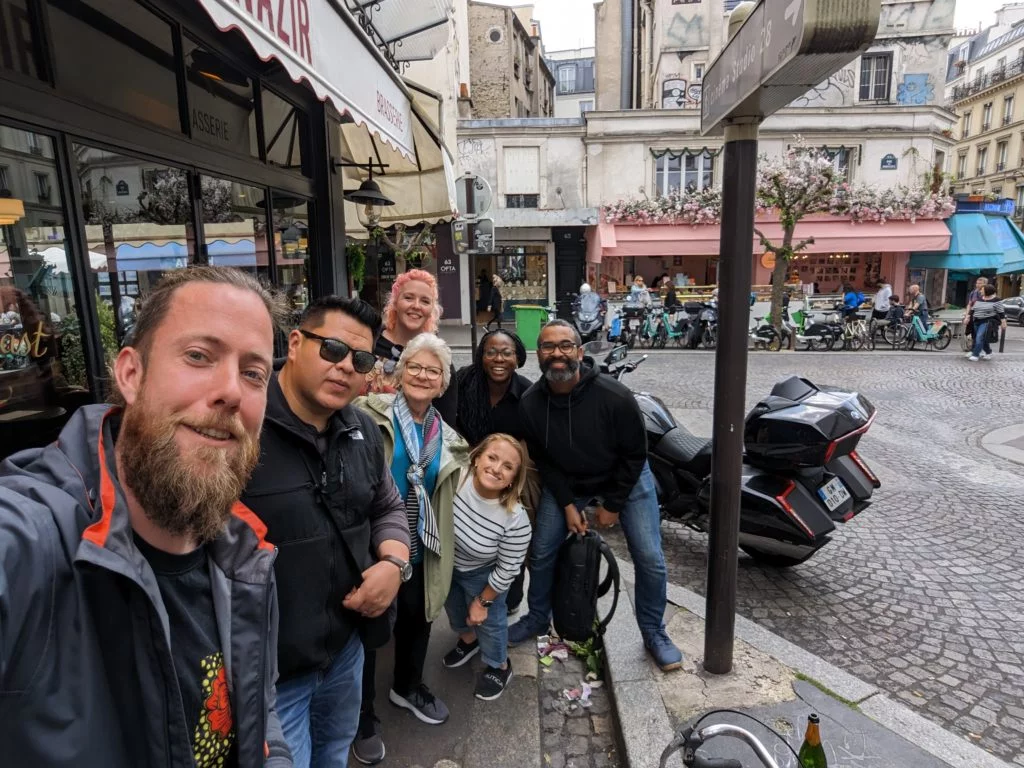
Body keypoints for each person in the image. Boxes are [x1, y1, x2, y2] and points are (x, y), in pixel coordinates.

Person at [0, 267, 292, 766]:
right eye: (199, 356)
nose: (232, 392)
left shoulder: (245, 552)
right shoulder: (33, 537)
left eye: (253, 373)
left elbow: (258, 716)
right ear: (131, 374)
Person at [241, 296, 411, 767]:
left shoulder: (362, 429)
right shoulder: (239, 427)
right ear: (295, 343)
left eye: (359, 359)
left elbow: (386, 505)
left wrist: (395, 563)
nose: (344, 367)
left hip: (345, 654)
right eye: (332, 349)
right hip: (272, 677)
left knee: (334, 754)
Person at [507, 320, 683, 672]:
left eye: (565, 345)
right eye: (547, 347)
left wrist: (613, 505)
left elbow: (635, 455)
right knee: (541, 552)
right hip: (571, 482)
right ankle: (539, 616)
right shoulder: (530, 404)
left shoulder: (614, 396)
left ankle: (653, 631)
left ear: (580, 352)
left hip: (625, 478)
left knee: (649, 556)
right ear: (538, 354)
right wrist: (569, 504)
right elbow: (544, 460)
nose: (557, 353)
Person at [352, 334, 468, 764]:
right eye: (415, 367)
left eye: (432, 370)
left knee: (418, 622)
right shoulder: (367, 414)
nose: (423, 375)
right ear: (400, 374)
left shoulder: (449, 437)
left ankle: (407, 686)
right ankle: (362, 716)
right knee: (368, 632)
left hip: (423, 547)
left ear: (442, 383)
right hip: (373, 548)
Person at [442, 433, 531, 701]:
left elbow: (507, 569)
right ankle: (469, 641)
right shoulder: (456, 479)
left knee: (490, 624)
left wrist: (483, 601)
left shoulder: (515, 519)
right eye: (492, 458)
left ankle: (499, 665)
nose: (496, 468)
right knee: (454, 610)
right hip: (448, 564)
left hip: (484, 575)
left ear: (514, 478)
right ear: (477, 457)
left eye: (507, 466)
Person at [454, 330, 538, 614]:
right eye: (491, 352)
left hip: (510, 473)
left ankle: (510, 595)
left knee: (511, 537)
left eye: (506, 352)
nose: (498, 359)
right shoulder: (464, 381)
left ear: (518, 358)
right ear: (481, 356)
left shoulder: (527, 393)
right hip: (467, 465)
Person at [364, 268, 457, 425]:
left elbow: (445, 424)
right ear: (395, 302)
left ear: (432, 310)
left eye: (425, 301)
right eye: (408, 298)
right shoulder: (368, 342)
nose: (416, 306)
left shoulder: (438, 357)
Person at [966, 284, 1007, 362]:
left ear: (987, 291)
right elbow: (973, 309)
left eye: (982, 289)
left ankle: (975, 355)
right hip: (976, 321)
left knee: (979, 337)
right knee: (982, 338)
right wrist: (968, 317)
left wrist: (1003, 323)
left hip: (986, 321)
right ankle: (988, 352)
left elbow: (1001, 312)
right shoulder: (979, 299)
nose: (980, 291)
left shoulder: (996, 300)